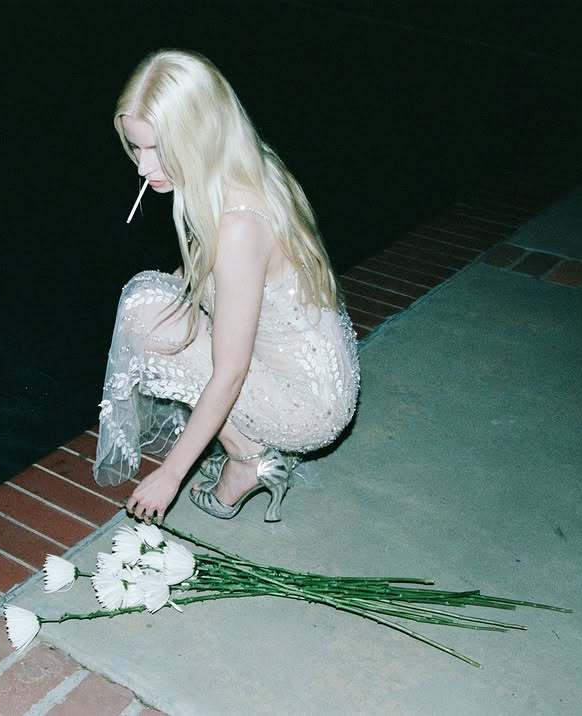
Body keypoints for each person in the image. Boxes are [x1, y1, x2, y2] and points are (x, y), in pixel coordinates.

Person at [92, 49, 360, 525]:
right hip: (320, 377)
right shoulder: (250, 168)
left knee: (141, 312)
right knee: (152, 303)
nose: (142, 167)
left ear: (198, 137)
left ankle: (248, 460)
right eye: (136, 148)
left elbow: (230, 372)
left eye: (158, 149)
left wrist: (171, 474)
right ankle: (251, 443)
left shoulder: (238, 227)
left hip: (306, 408)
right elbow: (202, 279)